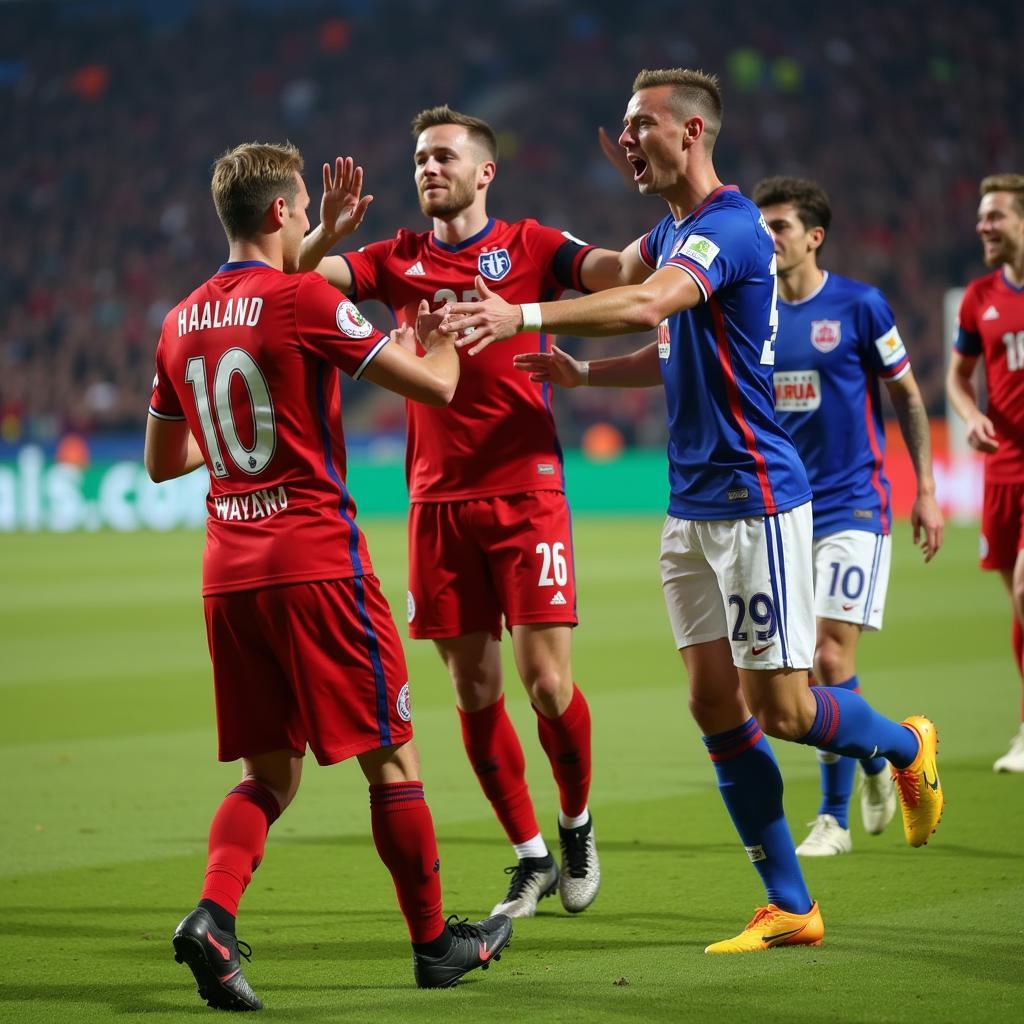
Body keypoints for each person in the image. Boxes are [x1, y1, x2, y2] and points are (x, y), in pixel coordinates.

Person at [449, 68, 945, 953]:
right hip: (689, 508)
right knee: (714, 707)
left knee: (786, 712)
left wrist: (520, 314)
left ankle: (905, 745)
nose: (626, 135)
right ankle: (791, 905)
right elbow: (654, 320)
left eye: (642, 123)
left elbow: (645, 300)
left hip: (757, 500)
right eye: (622, 124)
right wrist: (588, 372)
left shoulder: (731, 229)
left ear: (693, 132)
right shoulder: (675, 225)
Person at [145, 143, 511, 1010]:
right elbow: (433, 388)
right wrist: (437, 340)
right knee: (392, 757)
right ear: (278, 214)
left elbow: (165, 462)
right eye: (304, 209)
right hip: (315, 564)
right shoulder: (307, 299)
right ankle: (433, 945)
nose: (311, 219)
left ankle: (213, 917)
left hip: (227, 574)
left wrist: (230, 428)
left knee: (270, 775)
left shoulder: (177, 320)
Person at [297, 107, 644, 917]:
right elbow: (299, 289)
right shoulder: (394, 259)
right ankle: (530, 855)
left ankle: (576, 823)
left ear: (485, 172)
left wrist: (651, 190)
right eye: (420, 157)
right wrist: (321, 235)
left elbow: (625, 273)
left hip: (526, 488)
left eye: (445, 156)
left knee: (548, 686)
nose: (429, 168)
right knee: (474, 691)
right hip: (436, 501)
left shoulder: (533, 246)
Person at [750, 176, 944, 855]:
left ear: (813, 236)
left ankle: (831, 817)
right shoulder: (752, 311)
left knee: (830, 658)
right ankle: (875, 756)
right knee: (796, 672)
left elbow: (910, 399)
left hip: (853, 506)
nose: (769, 237)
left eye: (780, 226)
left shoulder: (860, 306)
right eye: (762, 225)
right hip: (782, 513)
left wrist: (925, 487)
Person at [947, 173, 1024, 774]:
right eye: (981, 216)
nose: (983, 226)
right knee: (1017, 602)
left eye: (995, 215)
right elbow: (957, 376)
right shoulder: (979, 297)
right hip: (1001, 465)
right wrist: (970, 414)